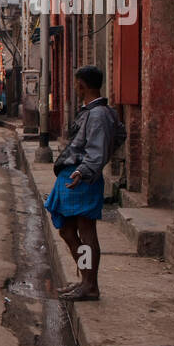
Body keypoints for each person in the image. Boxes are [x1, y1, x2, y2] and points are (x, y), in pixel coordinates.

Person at [44, 65, 123, 301]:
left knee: (86, 231)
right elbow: (118, 136)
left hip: (81, 178)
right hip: (72, 175)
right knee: (67, 230)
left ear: (82, 84)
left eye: (77, 83)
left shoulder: (99, 114)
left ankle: (90, 284)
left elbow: (98, 149)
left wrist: (85, 169)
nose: (76, 87)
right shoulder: (94, 112)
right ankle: (84, 280)